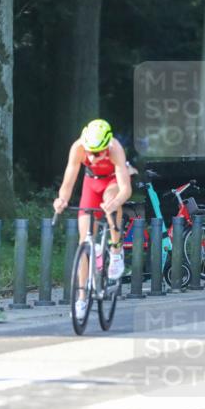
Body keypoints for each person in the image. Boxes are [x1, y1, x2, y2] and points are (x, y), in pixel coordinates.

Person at [53, 119, 133, 318]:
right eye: (89, 151)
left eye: (96, 153)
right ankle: (82, 298)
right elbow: (69, 181)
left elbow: (126, 189)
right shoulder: (78, 148)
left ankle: (116, 251)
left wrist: (115, 203)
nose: (91, 156)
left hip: (112, 181)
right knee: (84, 241)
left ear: (107, 148)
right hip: (92, 183)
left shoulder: (116, 150)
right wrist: (61, 200)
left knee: (111, 201)